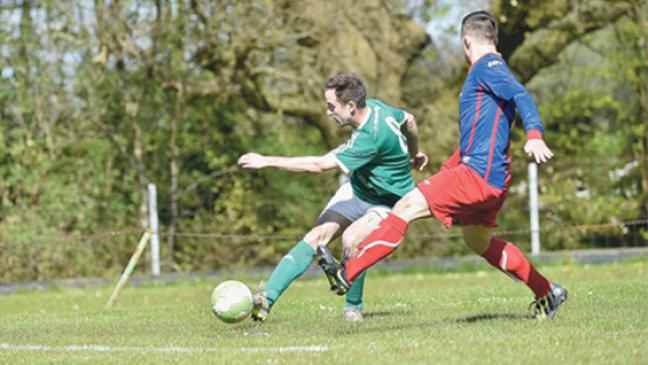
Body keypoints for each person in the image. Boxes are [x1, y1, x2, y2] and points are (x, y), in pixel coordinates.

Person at [317, 11, 567, 320]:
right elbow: (477, 135)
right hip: (492, 179)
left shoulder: (487, 66)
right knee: (478, 241)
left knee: (405, 207)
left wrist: (534, 134)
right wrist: (449, 168)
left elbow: (521, 95)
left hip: (477, 176)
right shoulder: (489, 72)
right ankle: (547, 291)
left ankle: (347, 273)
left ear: (466, 41)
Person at [237, 72, 428, 322]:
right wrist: (415, 154)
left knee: (351, 239)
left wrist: (266, 161)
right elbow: (410, 121)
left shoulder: (368, 138)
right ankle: (265, 300)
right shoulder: (377, 107)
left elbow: (318, 165)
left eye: (331, 106)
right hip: (359, 187)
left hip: (388, 201)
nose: (328, 112)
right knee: (316, 237)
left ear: (350, 106)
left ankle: (352, 308)